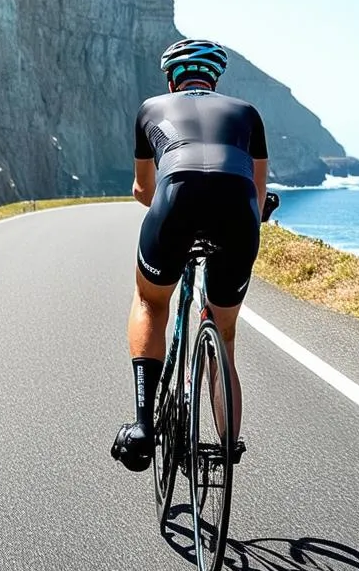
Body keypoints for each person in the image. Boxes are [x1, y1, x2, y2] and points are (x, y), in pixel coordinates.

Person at [111, 38, 269, 472]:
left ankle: (143, 427)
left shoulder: (150, 108)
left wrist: (173, 213)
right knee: (226, 333)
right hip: (236, 211)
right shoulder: (247, 113)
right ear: (215, 80)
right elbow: (257, 195)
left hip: (176, 197)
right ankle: (228, 443)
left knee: (150, 300)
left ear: (170, 79)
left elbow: (144, 190)